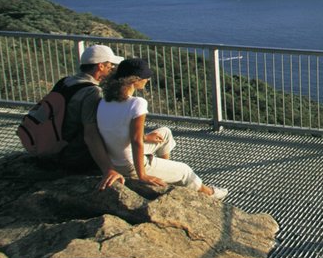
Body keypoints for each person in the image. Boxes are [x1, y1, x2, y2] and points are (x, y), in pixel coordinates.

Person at [95, 57, 227, 200]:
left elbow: (117, 130)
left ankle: (168, 173)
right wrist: (142, 175)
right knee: (186, 171)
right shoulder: (137, 103)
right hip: (129, 164)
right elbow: (136, 141)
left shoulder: (104, 102)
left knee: (164, 133)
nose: (148, 80)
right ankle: (210, 193)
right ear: (135, 80)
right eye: (145, 77)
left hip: (114, 158)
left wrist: (146, 137)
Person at [55, 44, 124, 186]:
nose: (112, 68)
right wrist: (108, 170)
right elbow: (90, 134)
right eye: (110, 65)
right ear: (100, 66)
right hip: (71, 155)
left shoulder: (65, 81)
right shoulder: (92, 92)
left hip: (54, 146)